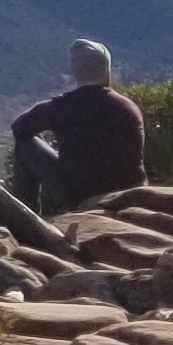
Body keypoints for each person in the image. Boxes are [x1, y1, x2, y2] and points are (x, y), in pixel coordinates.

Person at [11, 39, 149, 214]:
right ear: (107, 70)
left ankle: (27, 216)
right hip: (130, 193)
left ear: (76, 73)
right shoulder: (128, 107)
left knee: (24, 144)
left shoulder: (61, 107)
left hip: (82, 196)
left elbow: (19, 128)